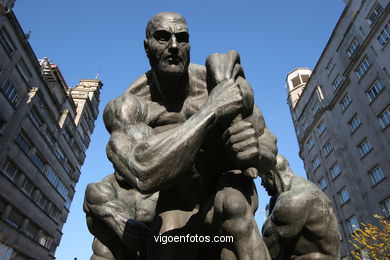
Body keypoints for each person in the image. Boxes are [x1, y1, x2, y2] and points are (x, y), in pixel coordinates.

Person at [90, 11, 278, 259]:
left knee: (233, 205)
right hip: (177, 200)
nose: (174, 46)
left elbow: (267, 146)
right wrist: (211, 110)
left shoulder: (215, 81)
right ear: (147, 48)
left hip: (225, 187)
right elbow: (142, 171)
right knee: (166, 246)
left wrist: (253, 149)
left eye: (182, 38)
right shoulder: (131, 106)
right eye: (162, 37)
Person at [261, 154, 340, 260]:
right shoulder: (278, 199)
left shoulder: (293, 200)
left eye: (261, 178)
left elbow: (266, 251)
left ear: (270, 175)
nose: (261, 184)